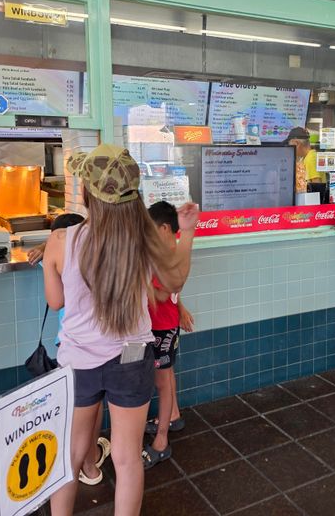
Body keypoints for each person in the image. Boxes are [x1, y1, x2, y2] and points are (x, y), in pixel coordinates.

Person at [42, 144, 198, 516]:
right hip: (131, 359)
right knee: (127, 460)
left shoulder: (63, 240)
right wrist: (188, 232)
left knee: (71, 456)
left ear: (86, 193)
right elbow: (174, 283)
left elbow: (56, 301)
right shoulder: (144, 242)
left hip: (78, 361)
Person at [28, 213, 113, 486]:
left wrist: (45, 249)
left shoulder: (59, 254)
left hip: (72, 346)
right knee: (92, 408)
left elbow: (55, 301)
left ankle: (81, 465)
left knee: (80, 410)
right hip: (101, 347)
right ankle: (90, 464)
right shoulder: (101, 255)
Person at [141, 201, 195, 469]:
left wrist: (157, 295)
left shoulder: (170, 251)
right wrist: (180, 307)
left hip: (162, 327)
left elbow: (168, 288)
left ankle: (161, 441)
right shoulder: (165, 250)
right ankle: (172, 417)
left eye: (151, 228)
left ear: (163, 228)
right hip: (162, 323)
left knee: (162, 381)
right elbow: (173, 288)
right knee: (166, 376)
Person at [286, 127, 326, 193]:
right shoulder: (308, 157)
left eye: (290, 145)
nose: (290, 149)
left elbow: (317, 188)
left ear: (296, 144)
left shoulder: (310, 159)